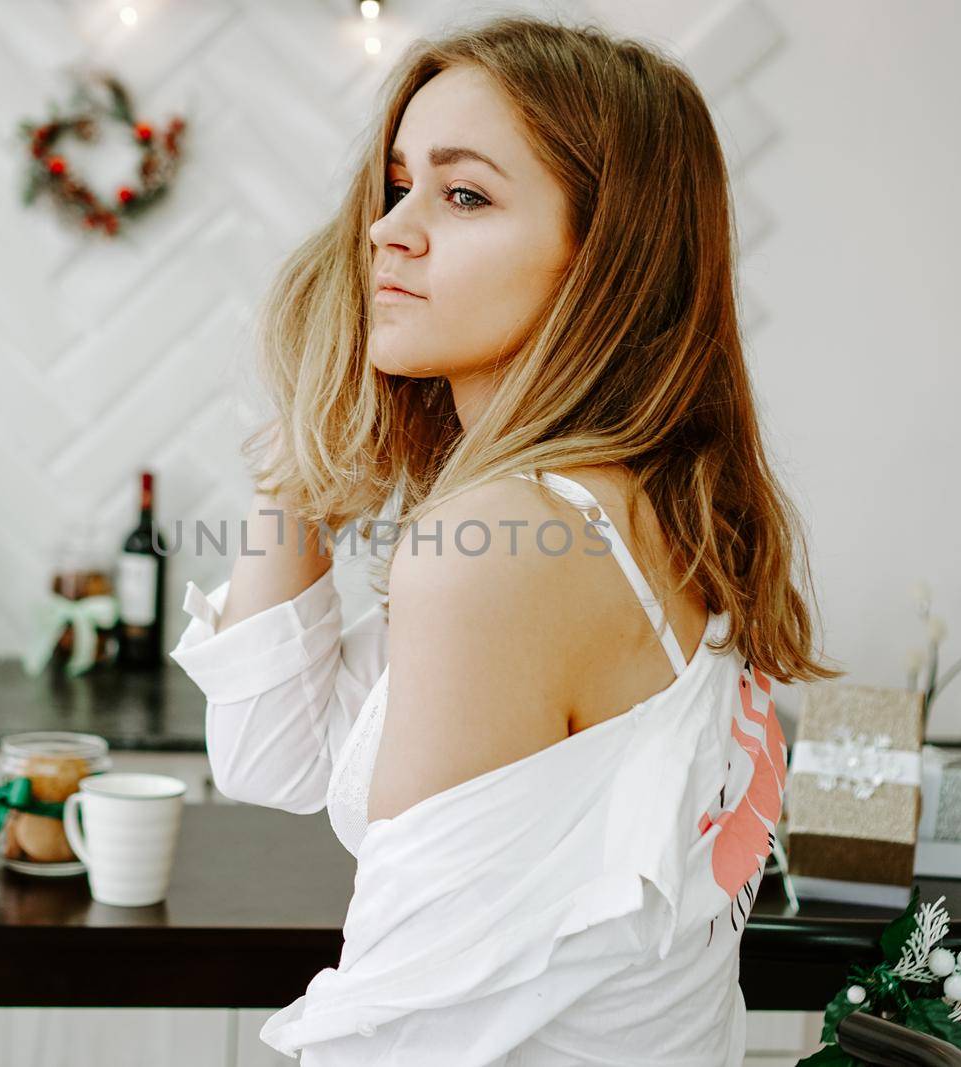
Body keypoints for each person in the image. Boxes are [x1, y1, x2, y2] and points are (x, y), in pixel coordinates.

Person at [169, 13, 841, 1066]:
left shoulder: (507, 543)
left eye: (465, 193)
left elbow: (394, 1039)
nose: (391, 230)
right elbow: (270, 755)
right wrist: (308, 436)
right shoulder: (649, 506)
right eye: (397, 185)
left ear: (603, 259)